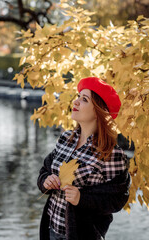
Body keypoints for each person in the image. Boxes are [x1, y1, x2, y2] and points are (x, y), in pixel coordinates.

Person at [37, 77, 130, 240]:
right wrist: (46, 180)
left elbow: (117, 199)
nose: (77, 102)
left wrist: (82, 198)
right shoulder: (65, 139)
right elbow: (45, 170)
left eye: (84, 99)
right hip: (51, 229)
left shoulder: (110, 154)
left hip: (82, 235)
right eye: (78, 96)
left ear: (98, 111)